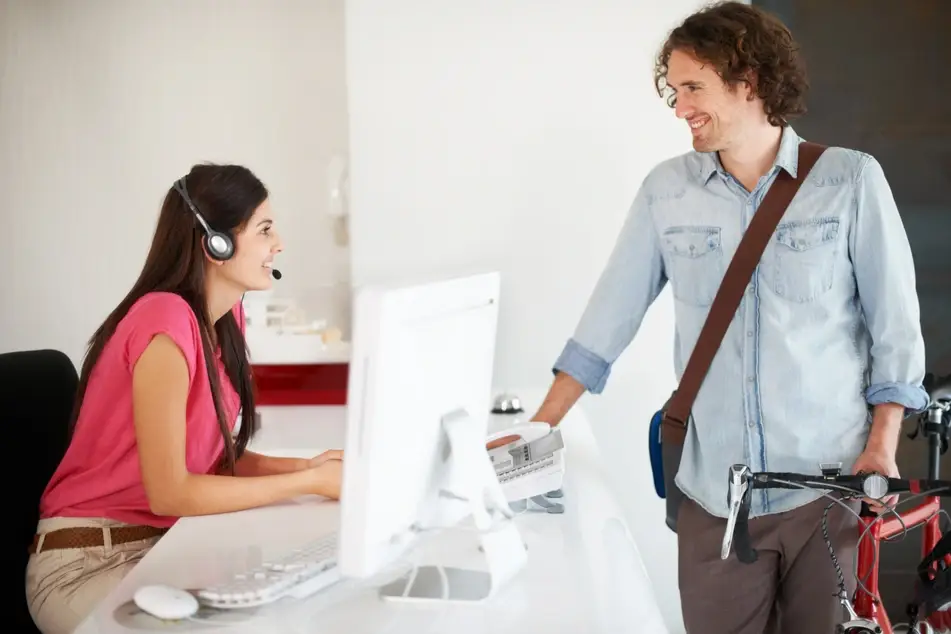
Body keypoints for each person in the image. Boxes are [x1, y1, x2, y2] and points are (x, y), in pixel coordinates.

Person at [497, 3, 927, 633]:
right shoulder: (667, 191)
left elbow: (896, 329)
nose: (679, 107)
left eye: (693, 87)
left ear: (747, 80)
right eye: (673, 90)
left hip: (828, 491)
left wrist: (882, 445)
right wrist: (536, 430)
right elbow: (606, 320)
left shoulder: (851, 180)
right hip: (713, 495)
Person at [26, 164, 344, 634]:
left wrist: (307, 467)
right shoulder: (166, 320)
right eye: (264, 229)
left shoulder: (222, 322)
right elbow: (172, 490)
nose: (278, 244)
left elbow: (213, 460)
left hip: (162, 547)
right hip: (87, 563)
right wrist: (309, 483)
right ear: (216, 244)